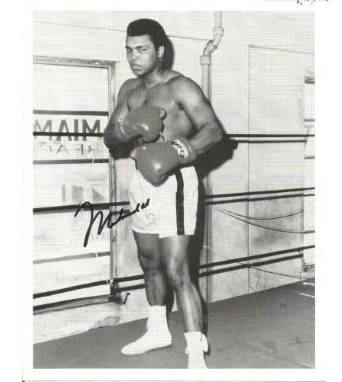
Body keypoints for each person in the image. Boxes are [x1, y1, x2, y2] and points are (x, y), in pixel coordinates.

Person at [103, 18, 223, 369]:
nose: (133, 57)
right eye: (129, 50)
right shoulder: (129, 89)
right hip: (141, 183)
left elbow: (213, 131)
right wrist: (127, 126)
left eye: (141, 49)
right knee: (149, 262)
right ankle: (157, 330)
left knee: (177, 268)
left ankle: (195, 353)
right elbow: (110, 137)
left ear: (159, 50)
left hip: (176, 181)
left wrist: (175, 152)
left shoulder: (180, 87)